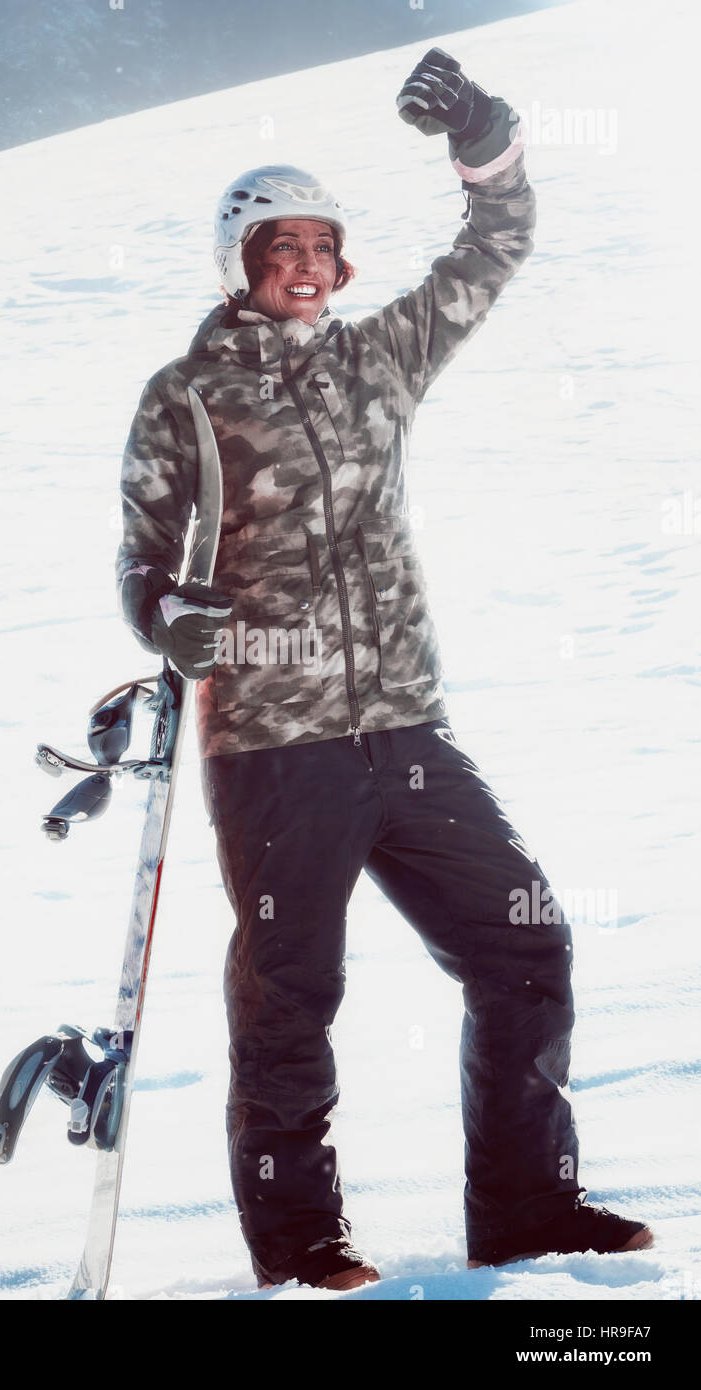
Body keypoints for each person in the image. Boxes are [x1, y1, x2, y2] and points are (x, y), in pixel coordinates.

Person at [115, 49, 653, 1291]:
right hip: (271, 744)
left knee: (526, 945)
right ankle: (300, 1247)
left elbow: (489, 252)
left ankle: (524, 1210)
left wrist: (485, 138)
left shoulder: (377, 364)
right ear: (239, 262)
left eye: (322, 244)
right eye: (278, 245)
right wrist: (164, 616)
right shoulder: (186, 397)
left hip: (406, 731)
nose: (305, 263)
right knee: (290, 999)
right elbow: (142, 556)